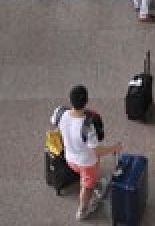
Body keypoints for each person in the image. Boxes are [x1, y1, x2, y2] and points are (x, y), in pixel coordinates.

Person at [52, 85, 122, 221]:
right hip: (87, 164)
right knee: (87, 187)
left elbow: (54, 123)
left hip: (69, 159)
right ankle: (82, 210)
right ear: (87, 101)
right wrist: (115, 148)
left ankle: (91, 184)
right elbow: (98, 152)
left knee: (86, 177)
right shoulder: (87, 127)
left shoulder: (59, 113)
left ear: (70, 100)